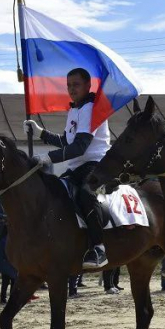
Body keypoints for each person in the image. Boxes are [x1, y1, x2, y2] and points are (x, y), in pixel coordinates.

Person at [24, 67, 113, 271]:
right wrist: (40, 133)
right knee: (52, 192)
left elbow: (81, 146)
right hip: (75, 167)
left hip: (95, 163)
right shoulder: (75, 109)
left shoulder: (92, 107)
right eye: (69, 85)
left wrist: (49, 158)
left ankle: (99, 248)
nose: (71, 89)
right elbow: (66, 141)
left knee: (85, 194)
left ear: (88, 85)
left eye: (76, 84)